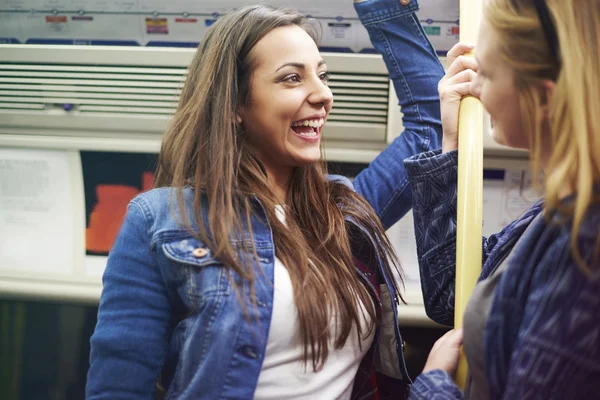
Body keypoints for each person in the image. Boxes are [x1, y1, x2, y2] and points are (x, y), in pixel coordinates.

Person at [86, 1, 450, 399]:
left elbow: (431, 119)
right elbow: (117, 387)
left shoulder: (342, 210)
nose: (323, 94)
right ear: (235, 106)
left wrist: (387, 10)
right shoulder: (160, 219)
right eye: (292, 78)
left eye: (322, 75)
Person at [404, 0, 600, 398]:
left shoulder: (584, 242)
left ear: (544, 100)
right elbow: (456, 292)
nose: (473, 89)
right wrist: (453, 142)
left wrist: (430, 389)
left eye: (487, 74)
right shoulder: (559, 209)